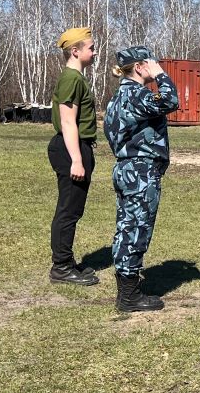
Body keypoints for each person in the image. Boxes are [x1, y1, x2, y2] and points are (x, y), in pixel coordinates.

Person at [103, 47, 179, 313]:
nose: (155, 67)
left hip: (126, 168)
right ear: (139, 67)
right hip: (140, 172)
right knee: (136, 229)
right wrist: (160, 75)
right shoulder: (135, 94)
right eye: (150, 63)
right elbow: (170, 101)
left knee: (126, 227)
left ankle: (128, 289)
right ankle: (129, 295)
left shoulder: (117, 98)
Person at [47, 27, 100, 286]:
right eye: (90, 47)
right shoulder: (71, 78)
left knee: (72, 209)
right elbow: (68, 122)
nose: (94, 51)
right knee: (68, 209)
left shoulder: (77, 78)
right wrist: (77, 160)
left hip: (76, 147)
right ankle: (61, 267)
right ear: (75, 51)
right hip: (71, 148)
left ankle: (67, 263)